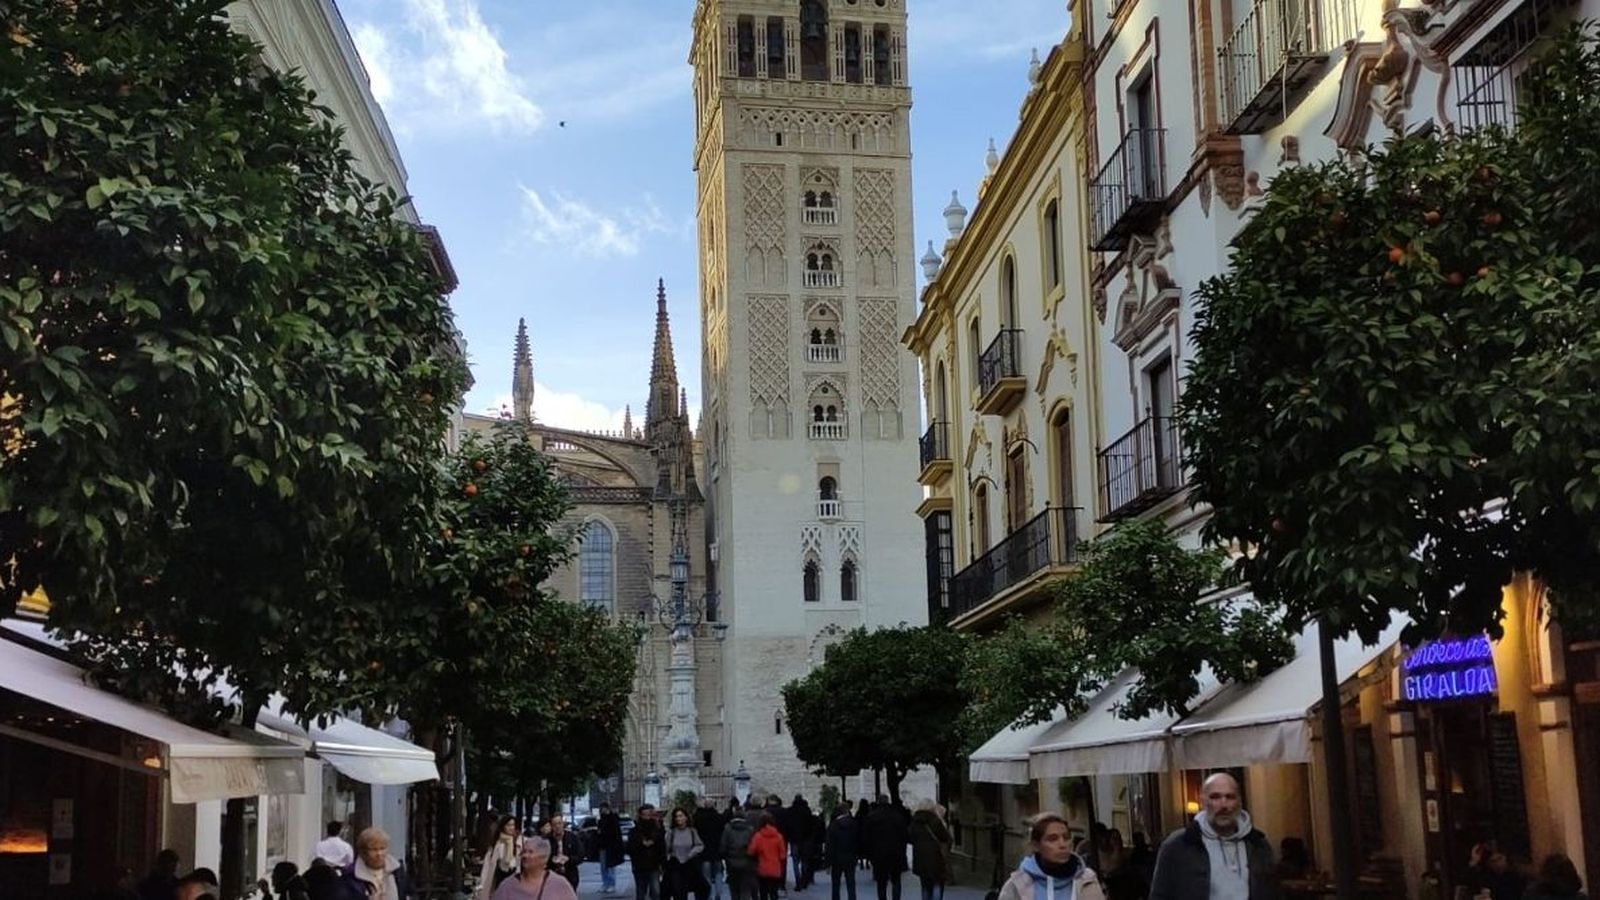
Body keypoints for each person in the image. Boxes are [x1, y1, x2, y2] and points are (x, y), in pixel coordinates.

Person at [1149, 772, 1280, 900]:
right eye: (1215, 797)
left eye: (1230, 797)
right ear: (1203, 802)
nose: (1223, 805)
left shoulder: (1258, 845)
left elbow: (1273, 893)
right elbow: (1159, 895)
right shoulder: (1179, 845)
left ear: (1239, 802)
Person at [996, 813, 1106, 900]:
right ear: (1036, 845)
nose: (1062, 844)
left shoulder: (1087, 879)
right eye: (1053, 839)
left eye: (1066, 837)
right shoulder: (1018, 884)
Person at [492, 837, 581, 900]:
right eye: (524, 852)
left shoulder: (560, 885)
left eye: (530, 852)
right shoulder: (508, 886)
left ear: (544, 858)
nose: (525, 856)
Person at [862, 800, 910, 900]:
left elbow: (866, 837)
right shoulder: (897, 816)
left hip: (879, 854)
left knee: (881, 882)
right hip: (896, 853)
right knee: (896, 880)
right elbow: (904, 835)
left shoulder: (872, 817)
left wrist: (869, 853)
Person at [349, 826, 414, 900]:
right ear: (363, 852)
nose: (379, 853)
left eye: (382, 848)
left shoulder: (397, 870)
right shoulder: (351, 876)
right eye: (374, 849)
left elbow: (410, 893)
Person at [910, 802, 952, 900]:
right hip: (935, 856)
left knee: (925, 885)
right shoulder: (935, 821)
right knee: (936, 883)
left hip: (920, 857)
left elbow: (910, 837)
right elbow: (945, 837)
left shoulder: (914, 822)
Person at [666, 806, 709, 900]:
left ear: (686, 817)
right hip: (676, 865)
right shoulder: (671, 832)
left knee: (703, 887)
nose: (678, 819)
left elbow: (700, 845)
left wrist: (691, 853)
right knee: (678, 892)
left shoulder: (692, 831)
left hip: (690, 864)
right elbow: (667, 849)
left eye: (681, 816)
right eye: (676, 816)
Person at [630, 804, 668, 900]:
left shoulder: (658, 830)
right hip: (639, 866)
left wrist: (663, 864)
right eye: (644, 814)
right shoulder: (635, 831)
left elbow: (662, 848)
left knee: (656, 891)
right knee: (641, 891)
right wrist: (641, 843)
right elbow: (630, 848)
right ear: (640, 815)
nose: (647, 817)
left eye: (649, 814)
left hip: (654, 865)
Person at [480, 815, 523, 899]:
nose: (511, 828)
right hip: (501, 875)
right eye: (508, 825)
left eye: (513, 825)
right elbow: (489, 862)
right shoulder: (498, 842)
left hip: (515, 875)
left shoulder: (519, 840)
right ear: (503, 826)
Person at [750, 812, 790, 900]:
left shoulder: (758, 836)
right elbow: (783, 855)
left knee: (763, 892)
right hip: (775, 868)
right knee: (774, 892)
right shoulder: (779, 837)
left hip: (762, 868)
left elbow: (751, 851)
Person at [825, 804, 861, 900]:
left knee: (836, 884)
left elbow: (829, 845)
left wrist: (828, 862)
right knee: (851, 883)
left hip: (836, 858)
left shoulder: (833, 826)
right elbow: (858, 840)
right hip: (850, 857)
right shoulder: (854, 824)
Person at [723, 809, 760, 900]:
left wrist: (725, 857)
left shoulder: (727, 828)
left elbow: (723, 846)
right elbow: (754, 846)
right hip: (746, 862)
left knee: (734, 888)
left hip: (731, 862)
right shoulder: (750, 829)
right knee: (745, 888)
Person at [697, 798, 729, 900]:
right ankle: (718, 892)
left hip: (704, 852)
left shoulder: (699, 819)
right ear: (714, 805)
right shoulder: (720, 818)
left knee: (706, 876)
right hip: (717, 852)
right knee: (718, 874)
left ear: (705, 806)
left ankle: (709, 894)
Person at [544, 815, 583, 889]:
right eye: (555, 824)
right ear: (551, 826)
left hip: (570, 876)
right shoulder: (547, 840)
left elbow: (580, 856)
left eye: (559, 823)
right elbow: (542, 858)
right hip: (552, 876)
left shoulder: (572, 838)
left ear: (563, 824)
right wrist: (552, 859)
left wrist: (568, 859)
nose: (557, 826)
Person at [600, 803, 627, 895]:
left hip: (610, 846)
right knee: (603, 866)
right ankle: (605, 883)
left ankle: (611, 884)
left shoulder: (612, 819)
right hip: (603, 846)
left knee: (610, 866)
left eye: (603, 808)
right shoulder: (601, 819)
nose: (602, 810)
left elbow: (615, 833)